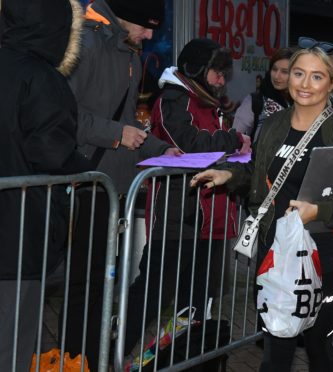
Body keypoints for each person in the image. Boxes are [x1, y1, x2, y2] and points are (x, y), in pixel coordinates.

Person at [191, 37, 333, 372]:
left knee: (318, 345)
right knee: (275, 350)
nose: (304, 84)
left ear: (332, 83)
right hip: (276, 257)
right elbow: (258, 173)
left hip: (327, 257)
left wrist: (319, 211)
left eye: (316, 76)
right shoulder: (272, 126)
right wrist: (228, 175)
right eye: (298, 73)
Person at [62, 0, 180, 369]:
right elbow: (61, 112)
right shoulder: (86, 41)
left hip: (110, 187)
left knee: (100, 283)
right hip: (83, 183)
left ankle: (91, 358)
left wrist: (163, 150)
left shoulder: (126, 51)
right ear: (121, 16)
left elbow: (129, 122)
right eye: (145, 26)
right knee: (83, 286)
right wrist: (116, 134)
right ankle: (73, 359)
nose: (149, 35)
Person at [123, 37, 251, 355]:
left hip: (208, 216)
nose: (222, 80)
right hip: (180, 215)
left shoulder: (208, 101)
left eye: (224, 74)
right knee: (153, 290)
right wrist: (233, 139)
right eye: (217, 73)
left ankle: (181, 355)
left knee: (195, 295)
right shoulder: (174, 98)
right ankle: (115, 349)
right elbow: (189, 140)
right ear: (196, 70)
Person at [0, 0, 92, 370]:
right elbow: (52, 155)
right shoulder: (43, 79)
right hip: (18, 238)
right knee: (11, 344)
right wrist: (83, 169)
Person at [233, 47, 295, 142]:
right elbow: (235, 138)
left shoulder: (300, 102)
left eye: (284, 72)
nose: (277, 76)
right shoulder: (254, 102)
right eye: (274, 69)